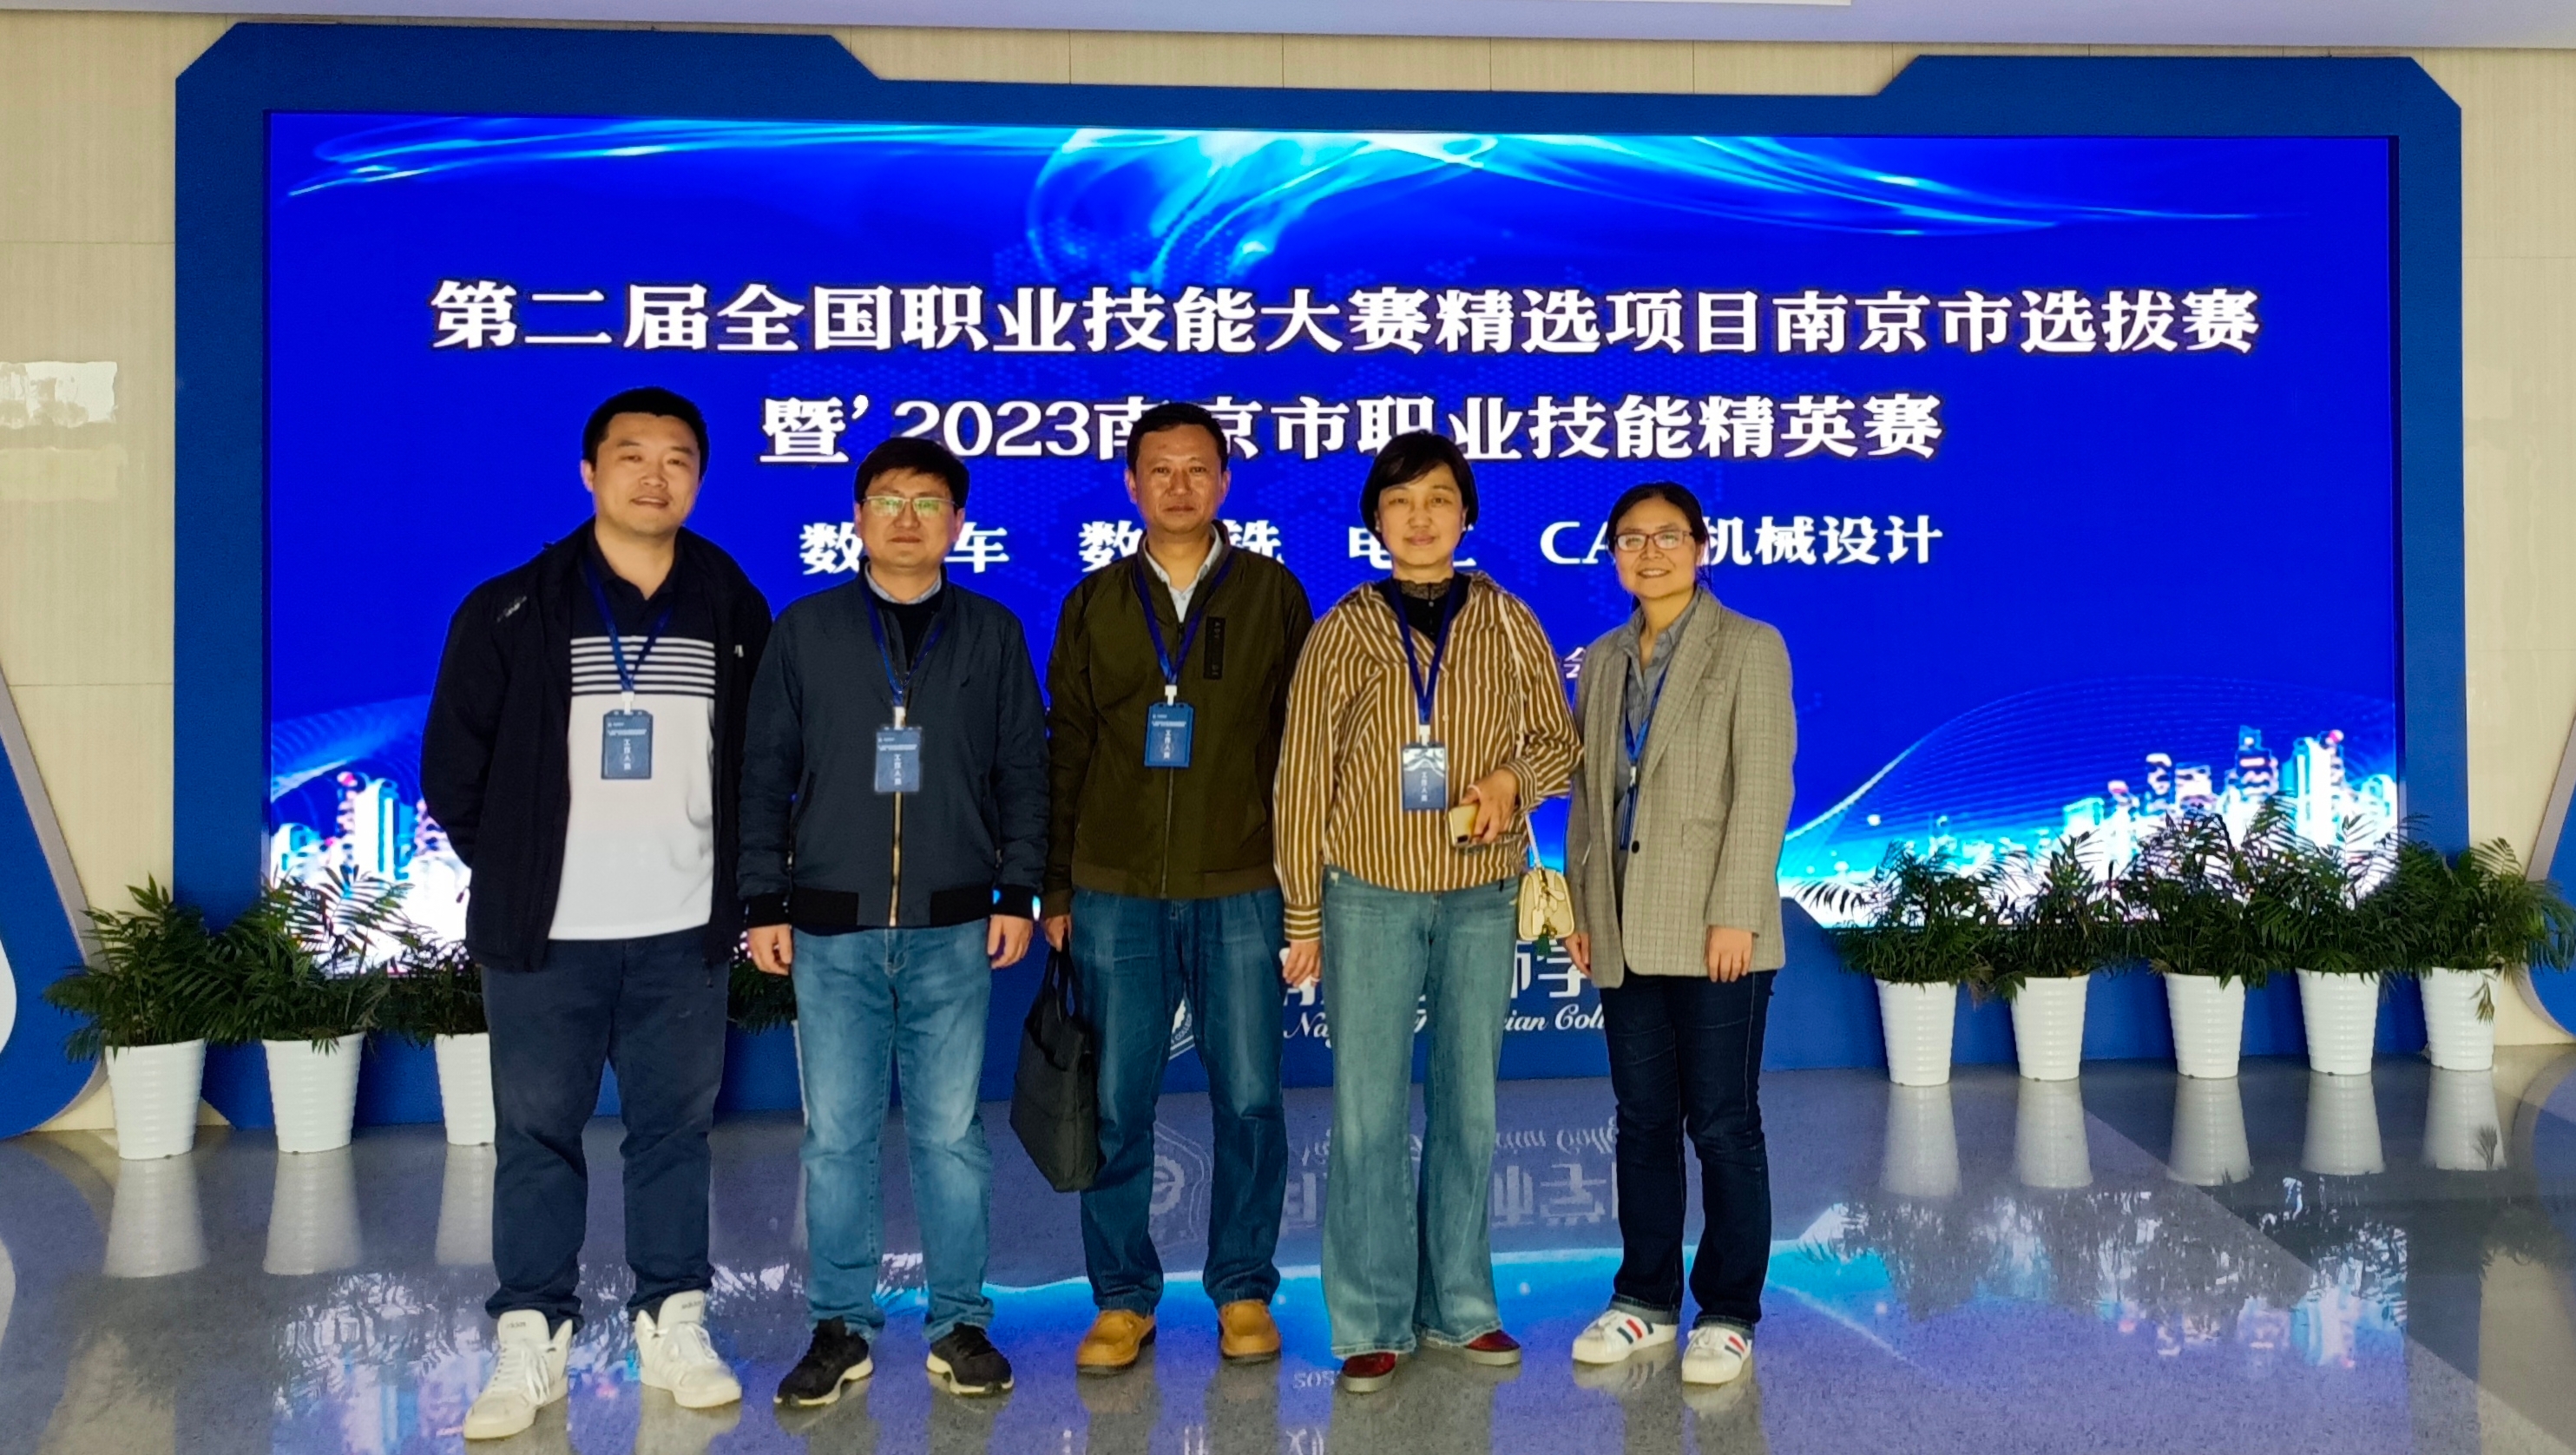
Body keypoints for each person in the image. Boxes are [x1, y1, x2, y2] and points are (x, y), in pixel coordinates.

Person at [424, 386, 770, 1440]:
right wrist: (524, 870)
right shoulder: (512, 608)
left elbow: (763, 762)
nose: (654, 475)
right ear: (589, 471)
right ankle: (532, 1332)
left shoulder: (731, 604)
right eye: (632, 454)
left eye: (677, 458)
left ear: (699, 478)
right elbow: (453, 771)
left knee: (675, 1134)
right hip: (547, 940)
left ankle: (674, 1320)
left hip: (681, 932)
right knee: (536, 1136)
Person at [740, 434, 1045, 1406]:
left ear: (957, 523)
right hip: (831, 927)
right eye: (887, 500)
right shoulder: (808, 628)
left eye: (927, 503)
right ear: (857, 516)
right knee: (836, 1138)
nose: (906, 519)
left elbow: (1023, 770)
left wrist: (1018, 889)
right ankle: (840, 1324)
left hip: (955, 926)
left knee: (951, 1135)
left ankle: (959, 1322)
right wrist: (763, 898)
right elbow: (764, 771)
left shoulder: (991, 630)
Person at [1274, 431, 1581, 1393]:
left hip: (1482, 894)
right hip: (1366, 892)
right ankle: (1370, 1317)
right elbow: (1301, 778)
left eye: (1439, 498)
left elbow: (1559, 742)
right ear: (1376, 518)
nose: (1420, 517)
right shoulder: (1342, 628)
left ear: (1466, 514)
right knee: (1367, 1111)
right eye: (1401, 501)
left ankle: (1459, 1304)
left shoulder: (1508, 620)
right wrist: (1301, 912)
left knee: (1468, 1104)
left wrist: (1510, 782)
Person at [1041, 402, 1314, 1374]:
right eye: (1160, 469)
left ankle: (1242, 1287)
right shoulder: (1094, 601)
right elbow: (1068, 746)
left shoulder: (1273, 592)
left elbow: (1302, 750)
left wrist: (1301, 887)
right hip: (1114, 889)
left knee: (1250, 1098)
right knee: (1119, 1102)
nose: (1179, 485)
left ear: (1225, 482)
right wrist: (1056, 889)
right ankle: (1123, 1299)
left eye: (1198, 468)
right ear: (1131, 484)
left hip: (1241, 882)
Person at [1561, 482, 1795, 1387]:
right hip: (1624, 923)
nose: (1649, 552)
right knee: (1641, 1121)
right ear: (1613, 554)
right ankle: (1645, 1300)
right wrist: (1584, 910)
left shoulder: (1749, 645)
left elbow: (1763, 785)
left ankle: (1729, 1310)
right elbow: (1588, 797)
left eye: (1667, 536)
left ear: (1702, 547)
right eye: (1630, 538)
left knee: (1724, 1122)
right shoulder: (1604, 657)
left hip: (1713, 927)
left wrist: (1737, 909)